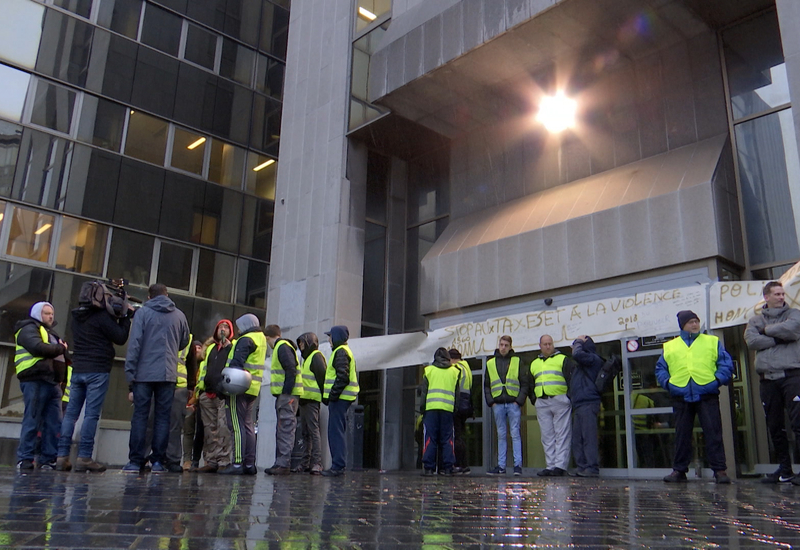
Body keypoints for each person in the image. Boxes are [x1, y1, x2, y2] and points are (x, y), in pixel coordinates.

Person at [56, 286, 133, 472]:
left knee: (71, 414)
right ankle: (84, 456)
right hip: (97, 369)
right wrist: (125, 317)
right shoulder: (101, 318)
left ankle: (62, 456)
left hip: (78, 369)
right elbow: (120, 337)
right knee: (91, 414)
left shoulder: (76, 317)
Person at [656, 310, 733, 483]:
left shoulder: (712, 342)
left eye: (696, 321)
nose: (695, 324)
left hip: (707, 393)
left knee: (713, 433)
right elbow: (661, 368)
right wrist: (668, 384)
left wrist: (716, 381)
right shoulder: (670, 346)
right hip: (681, 394)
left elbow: (725, 364)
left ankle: (719, 470)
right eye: (690, 322)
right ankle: (679, 470)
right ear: (682, 325)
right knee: (681, 435)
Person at [123, 284, 190, 473]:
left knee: (140, 417)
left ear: (149, 296)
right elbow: (184, 341)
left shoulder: (143, 314)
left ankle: (136, 461)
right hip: (168, 374)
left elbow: (134, 344)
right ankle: (158, 462)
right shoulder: (179, 315)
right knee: (163, 418)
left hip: (143, 374)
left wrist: (130, 376)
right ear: (167, 295)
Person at [744, 281, 800, 484]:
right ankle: (785, 470)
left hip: (792, 376)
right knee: (775, 426)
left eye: (782, 293)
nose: (781, 297)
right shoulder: (755, 320)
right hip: (767, 380)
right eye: (776, 294)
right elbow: (751, 341)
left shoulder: (794, 314)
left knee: (798, 423)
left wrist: (765, 331)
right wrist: (778, 337)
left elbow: (793, 331)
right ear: (766, 297)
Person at [15, 302, 69, 470]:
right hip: (36, 379)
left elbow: (60, 355)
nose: (50, 316)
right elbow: (38, 348)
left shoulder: (49, 332)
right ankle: (25, 459)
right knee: (32, 420)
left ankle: (48, 459)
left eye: (52, 313)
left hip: (52, 382)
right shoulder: (28, 329)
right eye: (46, 313)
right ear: (38, 314)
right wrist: (60, 348)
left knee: (54, 423)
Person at [220, 314, 266, 475]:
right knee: (248, 425)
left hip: (238, 387)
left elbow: (236, 363)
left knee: (236, 425)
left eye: (240, 326)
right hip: (252, 388)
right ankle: (249, 463)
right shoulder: (261, 339)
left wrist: (223, 384)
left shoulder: (245, 339)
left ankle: (238, 463)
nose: (238, 329)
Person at [530, 334, 574, 477]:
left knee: (562, 434)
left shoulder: (563, 359)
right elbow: (530, 383)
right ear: (540, 346)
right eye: (545, 344)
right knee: (547, 436)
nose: (548, 346)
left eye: (550, 343)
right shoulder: (534, 363)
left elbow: (571, 379)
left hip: (559, 400)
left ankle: (560, 466)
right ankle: (550, 466)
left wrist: (568, 398)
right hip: (542, 401)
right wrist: (534, 399)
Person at [484, 335, 527, 476]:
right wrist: (491, 402)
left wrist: (518, 401)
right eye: (501, 344)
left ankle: (517, 466)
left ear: (510, 346)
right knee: (501, 435)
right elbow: (487, 385)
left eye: (506, 345)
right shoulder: (490, 363)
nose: (503, 347)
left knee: (515, 434)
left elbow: (524, 383)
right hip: (498, 404)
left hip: (512, 403)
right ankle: (501, 466)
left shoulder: (517, 361)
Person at [195, 322, 234, 473]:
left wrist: (229, 346)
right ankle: (211, 460)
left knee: (222, 428)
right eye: (220, 327)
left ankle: (224, 460)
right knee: (209, 429)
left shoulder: (232, 347)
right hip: (207, 393)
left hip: (223, 394)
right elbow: (204, 369)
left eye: (226, 327)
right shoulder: (210, 348)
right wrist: (201, 391)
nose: (222, 330)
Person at [263, 325, 301, 475]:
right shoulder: (284, 347)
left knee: (285, 428)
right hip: (287, 395)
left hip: (287, 396)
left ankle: (283, 464)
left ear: (267, 338)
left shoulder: (281, 347)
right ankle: (281, 463)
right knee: (284, 428)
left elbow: (290, 369)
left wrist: (285, 392)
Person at [322, 325, 359, 477]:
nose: (328, 339)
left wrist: (332, 396)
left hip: (340, 399)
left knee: (335, 432)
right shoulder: (343, 351)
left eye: (330, 336)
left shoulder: (340, 352)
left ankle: (337, 466)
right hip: (342, 398)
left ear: (336, 337)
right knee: (338, 432)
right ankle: (338, 465)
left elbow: (342, 377)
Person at [420, 348, 461, 476]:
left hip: (431, 409)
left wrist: (423, 409)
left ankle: (429, 468)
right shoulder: (455, 371)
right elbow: (457, 394)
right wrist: (455, 409)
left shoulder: (429, 370)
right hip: (447, 410)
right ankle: (448, 468)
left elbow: (424, 393)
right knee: (447, 439)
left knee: (430, 438)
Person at [570, 335, 603, 477]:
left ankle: (592, 468)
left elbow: (577, 354)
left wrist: (578, 342)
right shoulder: (583, 364)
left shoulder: (593, 359)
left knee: (588, 438)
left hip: (588, 403)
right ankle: (582, 467)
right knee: (577, 439)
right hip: (580, 404)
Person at [296, 332, 327, 475]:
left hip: (312, 400)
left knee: (313, 432)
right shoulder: (306, 359)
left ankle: (316, 463)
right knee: (306, 433)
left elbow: (322, 378)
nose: (300, 346)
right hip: (304, 401)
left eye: (302, 343)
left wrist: (325, 397)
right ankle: (306, 463)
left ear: (309, 342)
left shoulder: (315, 356)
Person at [449, 349, 473, 475]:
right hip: (465, 405)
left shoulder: (456, 368)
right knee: (460, 435)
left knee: (456, 436)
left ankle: (459, 464)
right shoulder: (466, 368)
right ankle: (464, 465)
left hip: (457, 405)